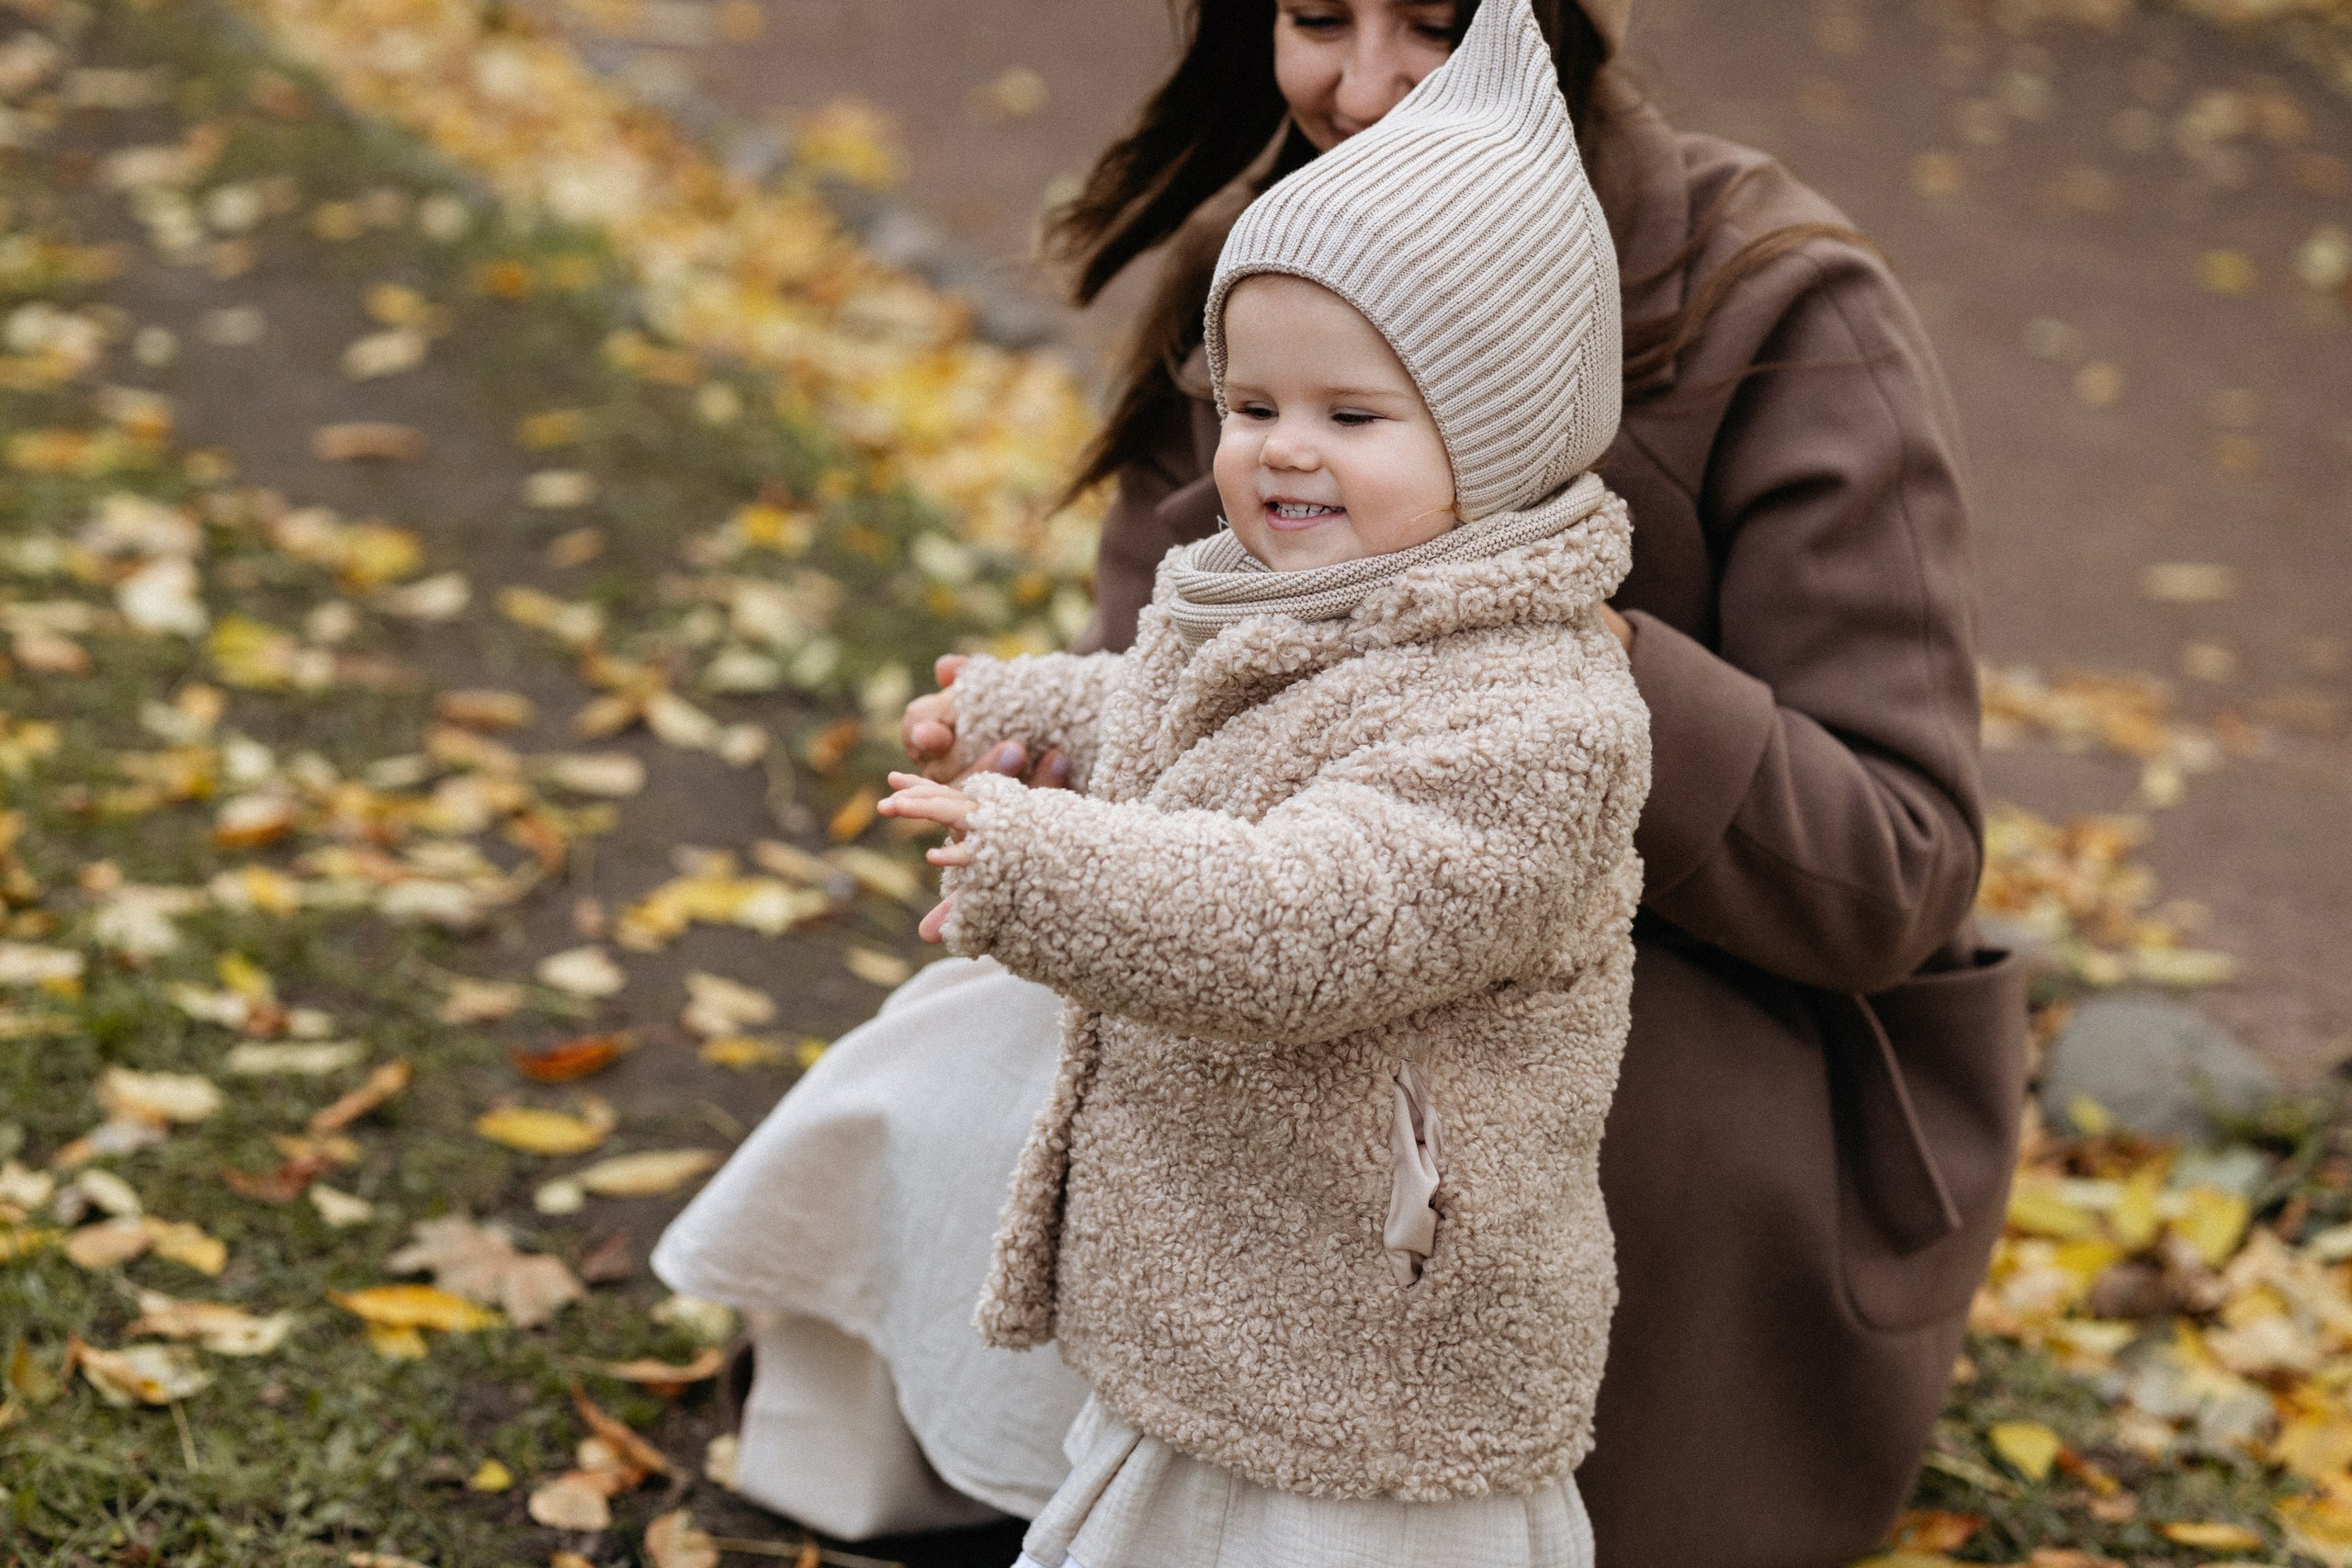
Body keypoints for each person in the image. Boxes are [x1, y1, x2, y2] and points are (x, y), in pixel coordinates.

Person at [657, 0, 2029, 1561]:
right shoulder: (1273, 262)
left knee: (1376, 1192)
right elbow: (1185, 682)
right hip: (1286, 913)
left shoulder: (1776, 298)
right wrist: (1072, 749)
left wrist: (1538, 637)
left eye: (1434, 24)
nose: (1362, 84)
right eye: (1316, 15)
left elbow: (1900, 873)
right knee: (986, 1046)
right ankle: (995, 1472)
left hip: (1668, 991)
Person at [867, 8, 1645, 1560]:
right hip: (1242, 1276)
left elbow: (1308, 916)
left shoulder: (1542, 718)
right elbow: (1196, 719)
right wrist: (1033, 712)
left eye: (1353, 417)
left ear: (1496, 440)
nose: (1285, 453)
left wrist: (1039, 862)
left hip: (1378, 1341)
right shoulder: (1316, 599)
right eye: (1253, 406)